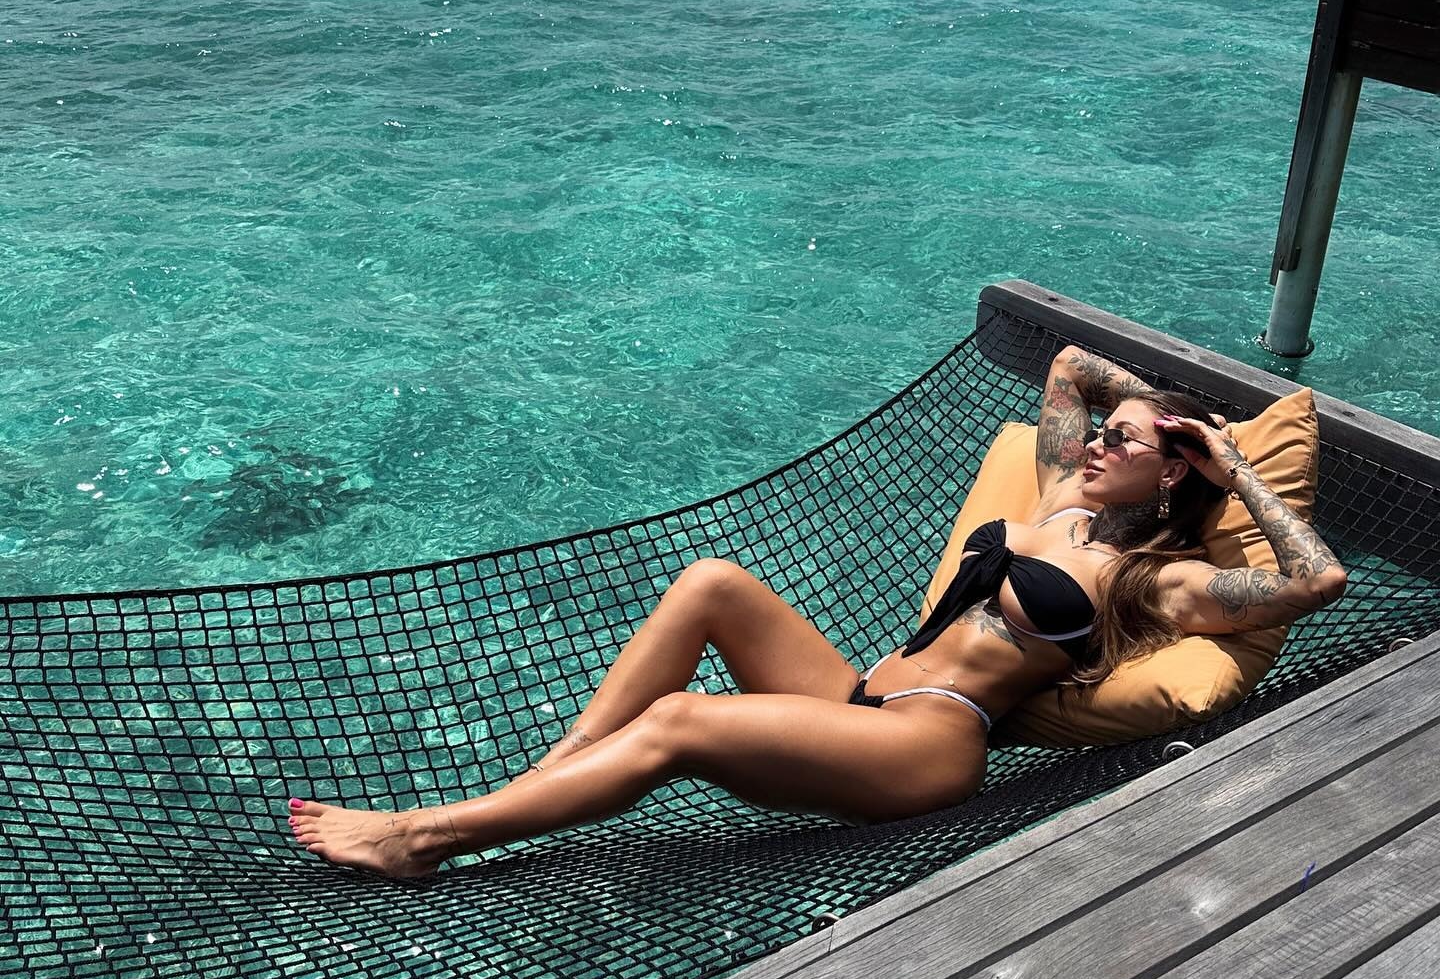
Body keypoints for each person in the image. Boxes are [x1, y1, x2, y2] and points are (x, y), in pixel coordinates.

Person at [287, 344, 1347, 878]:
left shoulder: (1154, 581)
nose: (1103, 440)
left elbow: (1315, 583)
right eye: (1107, 433)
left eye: (1129, 441)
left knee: (681, 720)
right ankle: (548, 774)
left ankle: (427, 837)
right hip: (857, 698)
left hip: (928, 747)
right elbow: (1070, 367)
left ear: (1174, 474)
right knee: (711, 580)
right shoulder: (1064, 492)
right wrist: (1152, 411)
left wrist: (1231, 461)